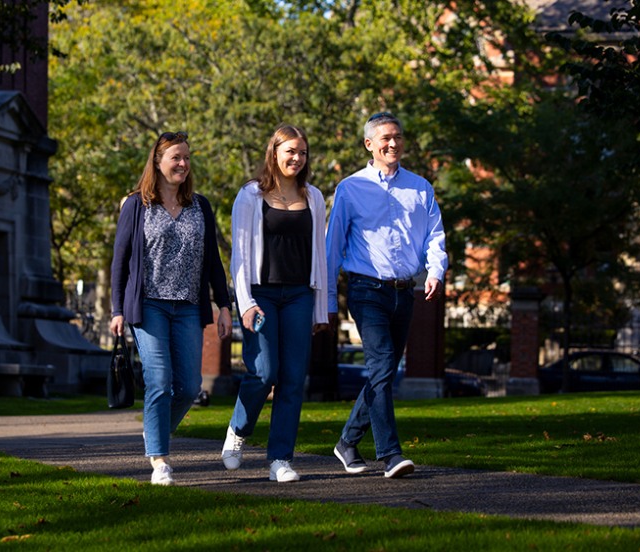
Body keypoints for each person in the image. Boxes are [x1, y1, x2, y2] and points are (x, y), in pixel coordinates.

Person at [325, 112, 448, 479]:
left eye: (397, 137)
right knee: (380, 367)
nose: (392, 143)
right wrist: (329, 302)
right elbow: (333, 249)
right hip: (365, 290)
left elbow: (435, 236)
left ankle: (347, 441)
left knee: (384, 371)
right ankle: (390, 454)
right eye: (385, 138)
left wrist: (436, 271)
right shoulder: (350, 188)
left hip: (404, 291)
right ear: (369, 144)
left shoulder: (420, 187)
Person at [109, 131, 232, 486]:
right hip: (149, 307)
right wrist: (117, 309)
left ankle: (154, 431)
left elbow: (213, 261)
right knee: (159, 382)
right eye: (176, 157)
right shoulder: (136, 205)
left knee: (190, 387)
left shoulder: (200, 206)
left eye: (187, 158)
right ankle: (161, 461)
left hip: (189, 306)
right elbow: (120, 262)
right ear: (158, 162)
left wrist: (224, 305)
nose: (183, 164)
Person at [222, 124, 328, 482]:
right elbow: (239, 255)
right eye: (290, 151)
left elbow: (320, 255)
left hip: (300, 294)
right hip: (262, 295)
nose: (296, 158)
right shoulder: (250, 195)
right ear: (274, 153)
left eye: (302, 153)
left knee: (293, 379)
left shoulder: (313, 196)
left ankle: (280, 459)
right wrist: (246, 303)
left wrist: (320, 306)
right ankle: (238, 429)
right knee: (264, 372)